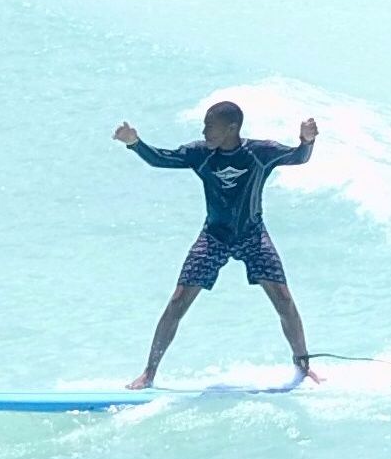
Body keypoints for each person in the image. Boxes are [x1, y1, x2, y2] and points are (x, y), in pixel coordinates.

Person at [117, 102, 323, 387]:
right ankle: (149, 373)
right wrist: (135, 143)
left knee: (284, 300)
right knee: (178, 301)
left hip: (252, 235)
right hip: (214, 236)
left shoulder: (259, 153)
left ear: (231, 128)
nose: (204, 132)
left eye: (209, 126)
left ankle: (303, 366)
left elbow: (298, 157)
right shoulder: (200, 154)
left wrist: (306, 141)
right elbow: (161, 159)